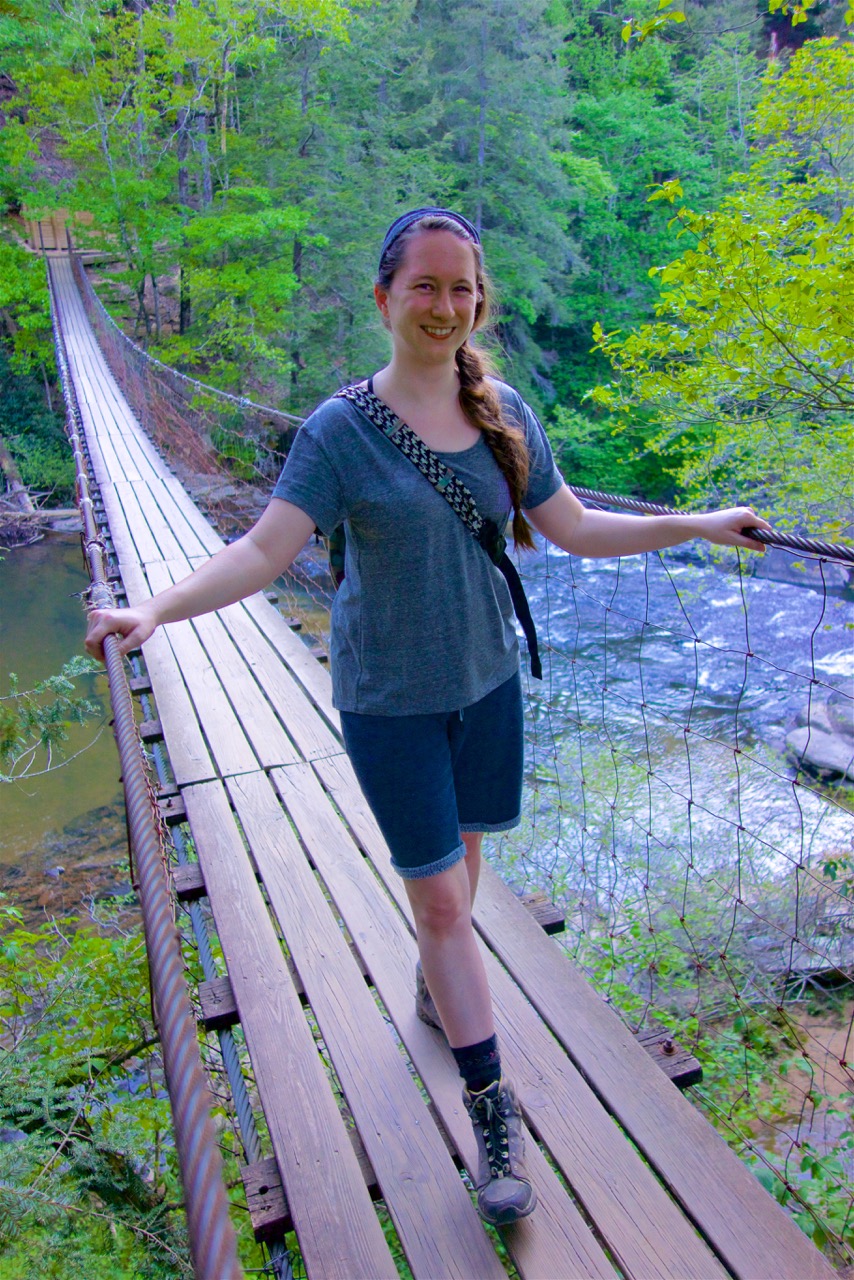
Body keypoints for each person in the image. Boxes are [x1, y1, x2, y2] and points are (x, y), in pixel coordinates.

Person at [85, 206, 772, 1226]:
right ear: (384, 297)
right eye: (424, 286)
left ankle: (432, 990)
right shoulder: (336, 432)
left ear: (476, 298)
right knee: (444, 905)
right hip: (388, 700)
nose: (444, 306)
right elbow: (264, 551)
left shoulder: (505, 411)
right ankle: (493, 1107)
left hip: (487, 683)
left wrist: (699, 523)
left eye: (461, 288)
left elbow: (571, 525)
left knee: (464, 859)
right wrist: (154, 608)